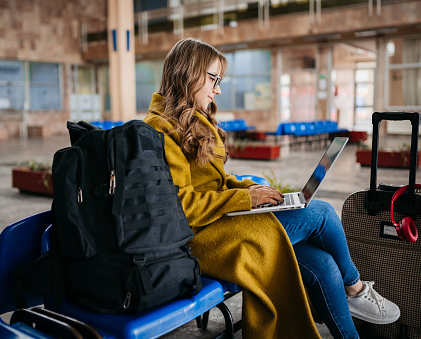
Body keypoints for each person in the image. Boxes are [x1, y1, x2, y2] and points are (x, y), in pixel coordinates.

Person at [143, 37, 400, 339]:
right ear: (188, 73)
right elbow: (181, 205)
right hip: (205, 239)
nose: (218, 89)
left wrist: (250, 187)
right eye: (213, 78)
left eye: (219, 80)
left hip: (224, 224)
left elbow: (214, 182)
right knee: (321, 213)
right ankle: (355, 289)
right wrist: (244, 198)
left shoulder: (194, 120)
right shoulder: (159, 129)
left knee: (323, 262)